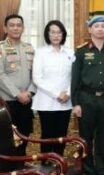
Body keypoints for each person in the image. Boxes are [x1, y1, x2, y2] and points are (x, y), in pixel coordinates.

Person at [71, 15, 104, 175]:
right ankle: (87, 171)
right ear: (90, 30)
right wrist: (75, 103)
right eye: (96, 26)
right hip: (86, 99)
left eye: (103, 26)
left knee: (103, 137)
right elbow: (75, 79)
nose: (100, 29)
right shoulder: (81, 51)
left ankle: (102, 169)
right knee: (86, 138)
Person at [0, 14, 35, 155]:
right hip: (8, 101)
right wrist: (17, 94)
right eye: (12, 25)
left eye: (19, 25)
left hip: (27, 99)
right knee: (7, 137)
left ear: (23, 28)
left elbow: (36, 74)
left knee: (24, 134)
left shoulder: (29, 48)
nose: (16, 28)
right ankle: (9, 166)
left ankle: (21, 163)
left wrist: (30, 92)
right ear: (5, 28)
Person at [31, 20, 74, 155]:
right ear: (47, 34)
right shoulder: (41, 52)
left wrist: (68, 93)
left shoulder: (70, 52)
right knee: (47, 135)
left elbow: (74, 76)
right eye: (53, 32)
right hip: (46, 102)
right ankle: (45, 163)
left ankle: (59, 163)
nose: (56, 35)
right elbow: (37, 78)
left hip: (65, 102)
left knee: (62, 135)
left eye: (59, 32)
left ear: (63, 34)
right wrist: (57, 94)